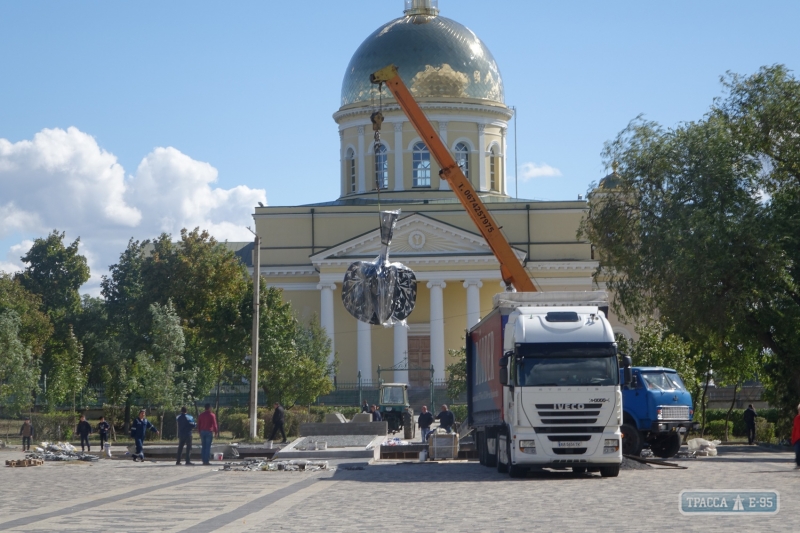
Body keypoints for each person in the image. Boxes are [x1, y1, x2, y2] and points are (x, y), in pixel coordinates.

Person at [792, 403, 800, 469]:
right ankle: (798, 464)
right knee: (797, 451)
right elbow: (794, 429)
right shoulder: (796, 418)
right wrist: (793, 439)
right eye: (799, 410)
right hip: (797, 438)